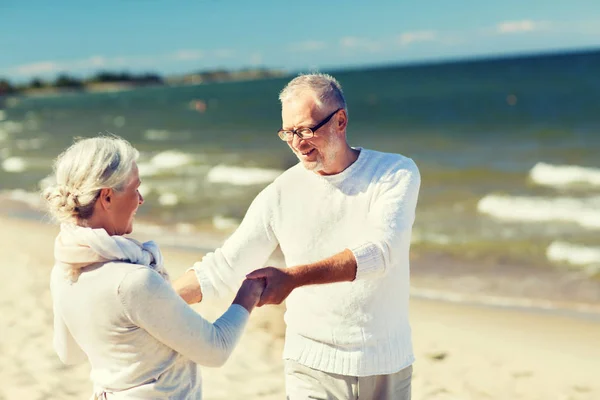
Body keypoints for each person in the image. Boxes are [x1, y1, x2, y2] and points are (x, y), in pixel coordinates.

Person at [174, 73, 421, 400]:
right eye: (288, 132)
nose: (297, 142)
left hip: (387, 363)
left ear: (341, 121)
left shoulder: (394, 173)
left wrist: (293, 278)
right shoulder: (279, 193)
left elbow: (382, 253)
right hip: (309, 364)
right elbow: (224, 267)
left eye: (305, 130)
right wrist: (147, 300)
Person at [44, 135, 265, 399]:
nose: (141, 199)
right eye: (135, 188)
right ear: (107, 197)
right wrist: (249, 292)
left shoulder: (64, 271)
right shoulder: (133, 281)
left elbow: (70, 354)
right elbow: (216, 349)